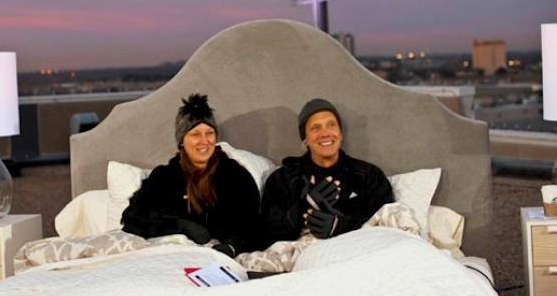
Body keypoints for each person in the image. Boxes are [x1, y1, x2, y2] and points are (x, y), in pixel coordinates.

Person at [121, 93, 261, 257]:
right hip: (175, 256)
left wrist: (232, 246)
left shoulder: (235, 176)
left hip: (224, 256)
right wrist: (179, 225)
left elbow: (254, 226)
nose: (204, 141)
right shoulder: (164, 178)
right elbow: (133, 220)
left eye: (209, 133)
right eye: (195, 134)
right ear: (181, 140)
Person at [261, 98, 394, 244]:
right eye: (315, 128)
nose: (325, 133)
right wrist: (302, 209)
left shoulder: (369, 176)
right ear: (305, 139)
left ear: (340, 134)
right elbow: (266, 234)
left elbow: (386, 228)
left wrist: (342, 226)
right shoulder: (283, 179)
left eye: (331, 125)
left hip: (358, 254)